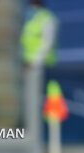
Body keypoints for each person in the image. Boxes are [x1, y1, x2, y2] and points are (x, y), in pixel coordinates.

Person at [19, 0, 58, 130]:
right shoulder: (31, 21)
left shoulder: (47, 19)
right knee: (31, 101)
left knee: (42, 101)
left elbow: (47, 43)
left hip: (42, 66)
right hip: (29, 66)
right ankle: (32, 128)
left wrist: (35, 62)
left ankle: (45, 133)